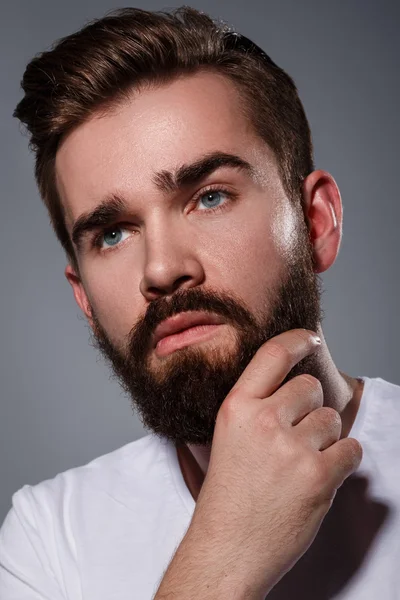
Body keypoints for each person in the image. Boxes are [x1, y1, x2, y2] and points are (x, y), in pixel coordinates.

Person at [1, 5, 399, 599]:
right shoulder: (49, 537)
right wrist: (225, 553)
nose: (162, 269)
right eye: (112, 233)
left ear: (316, 223)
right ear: (83, 297)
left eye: (209, 197)